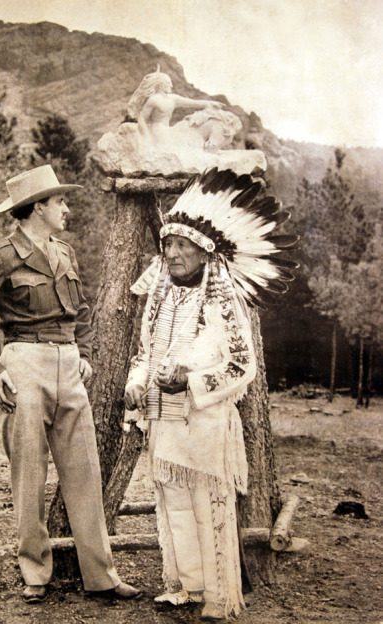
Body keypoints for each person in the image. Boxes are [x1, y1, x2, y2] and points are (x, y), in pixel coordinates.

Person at [0, 164, 139, 604]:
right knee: (29, 475)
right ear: (36, 209)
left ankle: (101, 576)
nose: (66, 209)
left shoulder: (64, 252)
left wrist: (84, 355)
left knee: (85, 473)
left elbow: (82, 311)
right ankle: (35, 573)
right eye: (59, 202)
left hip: (68, 366)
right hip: (23, 365)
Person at [124, 167, 297, 621]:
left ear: (205, 253)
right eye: (168, 245)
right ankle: (184, 586)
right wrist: (135, 386)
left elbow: (243, 367)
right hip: (163, 422)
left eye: (183, 245)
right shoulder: (157, 302)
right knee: (174, 505)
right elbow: (144, 355)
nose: (174, 253)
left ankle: (218, 595)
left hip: (205, 423)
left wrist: (192, 383)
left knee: (209, 507)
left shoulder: (223, 302)